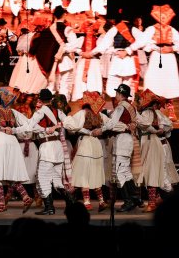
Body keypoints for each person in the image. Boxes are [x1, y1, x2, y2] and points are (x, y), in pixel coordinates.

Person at [13, 88, 76, 215]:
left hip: (47, 147)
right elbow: (71, 125)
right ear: (51, 99)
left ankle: (49, 207)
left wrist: (13, 130)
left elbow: (29, 126)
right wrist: (57, 126)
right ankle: (71, 202)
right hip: (58, 147)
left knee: (42, 178)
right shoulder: (58, 112)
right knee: (57, 180)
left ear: (40, 100)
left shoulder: (40, 112)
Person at [91, 84, 142, 212]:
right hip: (128, 139)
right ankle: (135, 197)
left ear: (120, 94)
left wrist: (100, 130)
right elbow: (137, 121)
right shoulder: (131, 107)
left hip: (123, 140)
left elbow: (112, 123)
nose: (115, 96)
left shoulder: (121, 107)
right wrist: (129, 125)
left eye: (117, 94)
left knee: (119, 172)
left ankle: (129, 201)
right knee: (125, 171)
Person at [63, 91, 108, 212]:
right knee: (95, 172)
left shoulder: (82, 113)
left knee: (84, 173)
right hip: (96, 144)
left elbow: (69, 125)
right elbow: (110, 125)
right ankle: (101, 201)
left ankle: (87, 202)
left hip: (86, 144)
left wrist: (68, 116)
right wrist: (99, 130)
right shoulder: (100, 115)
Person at [84, 10, 143, 101]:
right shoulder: (134, 29)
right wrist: (129, 50)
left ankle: (117, 111)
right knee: (127, 89)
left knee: (113, 89)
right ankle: (127, 111)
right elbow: (144, 40)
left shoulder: (115, 29)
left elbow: (102, 46)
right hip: (129, 62)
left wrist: (90, 53)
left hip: (117, 61)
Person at [136, 89, 179, 212]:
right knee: (156, 173)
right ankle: (157, 200)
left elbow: (145, 124)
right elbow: (168, 126)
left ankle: (155, 202)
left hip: (157, 146)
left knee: (157, 174)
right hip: (159, 145)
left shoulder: (148, 113)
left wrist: (158, 130)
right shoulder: (153, 113)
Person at [134, 4, 179, 121]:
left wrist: (172, 48)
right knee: (152, 81)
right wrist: (154, 46)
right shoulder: (152, 29)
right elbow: (142, 42)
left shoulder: (172, 30)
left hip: (169, 58)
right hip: (156, 57)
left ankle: (170, 109)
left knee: (169, 82)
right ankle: (148, 110)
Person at [28, 6, 82, 102]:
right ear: (64, 15)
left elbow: (38, 44)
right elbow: (74, 46)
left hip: (52, 63)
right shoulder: (67, 29)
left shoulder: (47, 30)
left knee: (52, 87)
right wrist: (64, 48)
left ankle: (49, 108)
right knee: (65, 87)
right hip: (65, 62)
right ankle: (62, 110)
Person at [71, 19, 103, 102]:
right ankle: (84, 102)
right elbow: (74, 47)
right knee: (82, 84)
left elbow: (101, 50)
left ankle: (92, 102)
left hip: (94, 62)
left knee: (93, 82)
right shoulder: (82, 39)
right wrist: (82, 53)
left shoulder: (98, 39)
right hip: (84, 61)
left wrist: (90, 54)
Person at [0, 18, 18, 84]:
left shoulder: (7, 30)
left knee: (6, 65)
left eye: (3, 24)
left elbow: (14, 39)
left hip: (5, 49)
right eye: (1, 24)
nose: (2, 26)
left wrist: (10, 37)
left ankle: (5, 80)